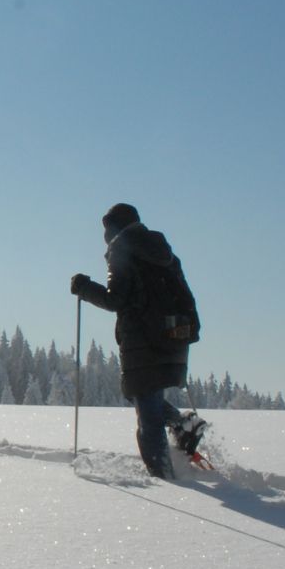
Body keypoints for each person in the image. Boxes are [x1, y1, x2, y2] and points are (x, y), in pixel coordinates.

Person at [71, 203, 200, 478]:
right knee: (140, 395)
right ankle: (182, 424)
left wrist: (84, 288)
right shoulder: (163, 251)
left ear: (114, 228)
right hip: (174, 336)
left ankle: (164, 478)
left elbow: (115, 299)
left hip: (144, 340)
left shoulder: (122, 248)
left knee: (147, 415)